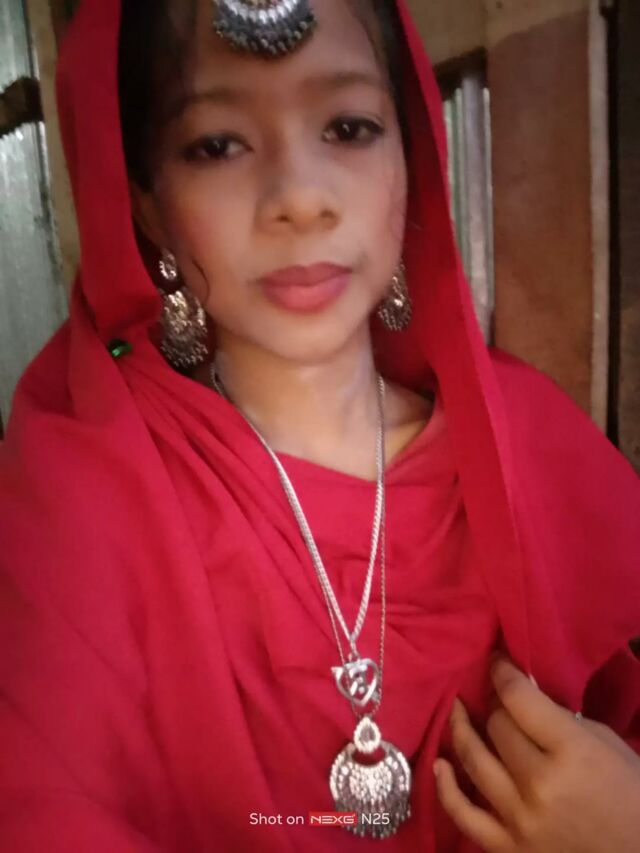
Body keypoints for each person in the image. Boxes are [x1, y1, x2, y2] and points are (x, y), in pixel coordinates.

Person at [1, 0, 639, 850]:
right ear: (147, 205)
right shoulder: (88, 488)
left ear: (412, 158)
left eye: (348, 127)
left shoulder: (532, 450)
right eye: (217, 145)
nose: (299, 198)